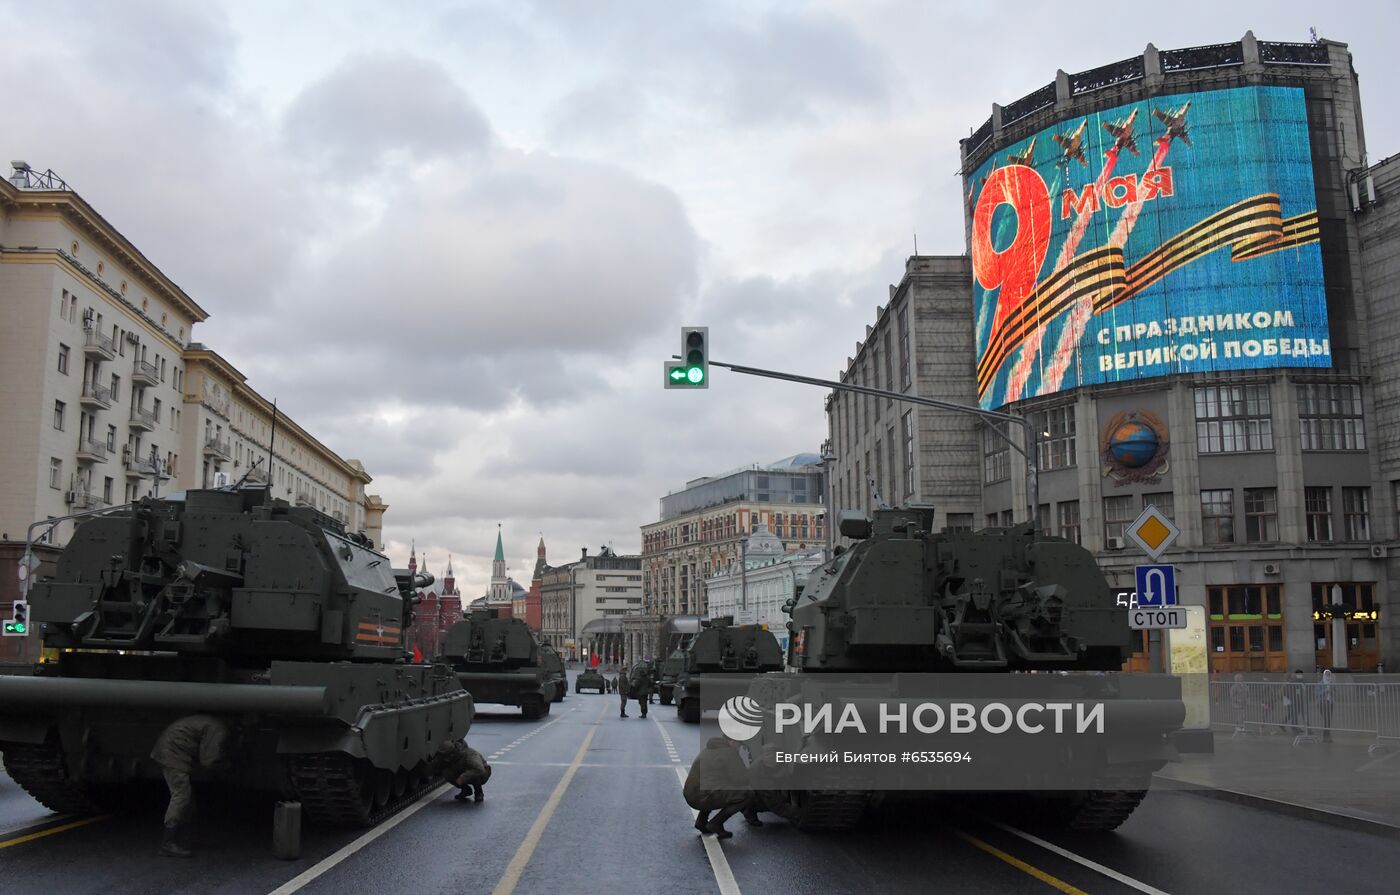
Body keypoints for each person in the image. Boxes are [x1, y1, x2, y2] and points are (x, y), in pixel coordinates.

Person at [150, 714, 234, 858]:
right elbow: (208, 760)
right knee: (181, 796)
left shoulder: (210, 722)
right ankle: (167, 843)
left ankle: (183, 839)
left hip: (169, 750)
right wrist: (227, 765)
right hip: (172, 755)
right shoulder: (218, 728)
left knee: (188, 799)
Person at [683, 736, 759, 838]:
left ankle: (701, 822)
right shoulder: (730, 753)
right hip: (703, 797)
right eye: (739, 745)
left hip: (691, 794)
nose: (739, 748)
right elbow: (741, 779)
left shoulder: (709, 749)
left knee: (715, 786)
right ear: (732, 742)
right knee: (747, 793)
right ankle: (716, 823)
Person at [1318, 669, 1336, 743]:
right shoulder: (1320, 683)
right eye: (1326, 674)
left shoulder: (1331, 683)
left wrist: (1333, 690)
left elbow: (1335, 692)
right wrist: (1326, 690)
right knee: (1326, 720)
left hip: (1330, 703)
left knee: (1328, 720)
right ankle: (1325, 736)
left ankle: (1327, 736)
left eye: (1329, 674)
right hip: (1323, 703)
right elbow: (1317, 693)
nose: (1328, 676)